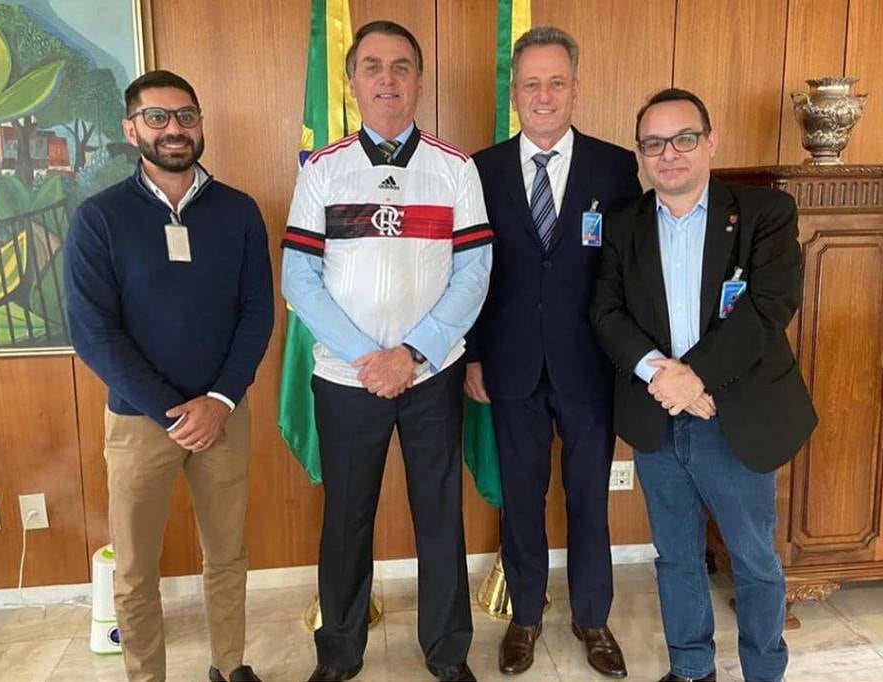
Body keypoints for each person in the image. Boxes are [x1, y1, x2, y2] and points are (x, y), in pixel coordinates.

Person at [281, 20, 493, 682]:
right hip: (346, 380)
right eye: (372, 67)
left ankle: (447, 653)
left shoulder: (456, 170)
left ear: (419, 82)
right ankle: (339, 654)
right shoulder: (322, 169)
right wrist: (367, 359)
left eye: (401, 67)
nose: (387, 79)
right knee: (346, 522)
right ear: (352, 83)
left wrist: (414, 355)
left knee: (439, 519)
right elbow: (298, 279)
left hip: (431, 376)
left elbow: (475, 273)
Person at [589, 88, 817, 682]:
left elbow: (770, 306)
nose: (670, 154)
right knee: (676, 557)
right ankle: (691, 669)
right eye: (654, 143)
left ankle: (764, 671)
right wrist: (663, 376)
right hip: (657, 415)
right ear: (640, 155)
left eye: (684, 138)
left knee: (753, 559)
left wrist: (695, 377)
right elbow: (606, 313)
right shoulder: (622, 226)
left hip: (734, 415)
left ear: (710, 142)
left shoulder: (765, 213)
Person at [64, 70, 273, 682]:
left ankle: (229, 666)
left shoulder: (238, 212)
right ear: (131, 130)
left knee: (228, 556)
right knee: (134, 570)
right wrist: (173, 410)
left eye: (185, 115)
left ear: (201, 124)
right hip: (138, 421)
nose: (174, 129)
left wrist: (219, 400)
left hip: (224, 418)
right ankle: (144, 676)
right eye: (157, 118)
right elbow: (94, 334)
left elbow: (257, 312)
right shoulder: (99, 218)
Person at [466, 25, 641, 679]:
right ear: (516, 91)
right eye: (531, 83)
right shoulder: (478, 169)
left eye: (556, 82)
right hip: (508, 365)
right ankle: (527, 616)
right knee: (521, 497)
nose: (544, 95)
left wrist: (631, 359)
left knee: (589, 498)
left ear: (575, 87)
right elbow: (472, 272)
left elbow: (627, 271)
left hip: (591, 367)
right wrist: (475, 355)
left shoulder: (615, 166)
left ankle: (593, 619)